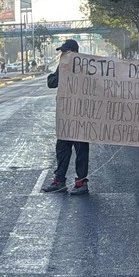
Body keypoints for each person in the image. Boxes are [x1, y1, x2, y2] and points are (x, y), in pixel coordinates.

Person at [42, 39, 90, 195]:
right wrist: (63, 74)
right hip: (65, 115)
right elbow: (51, 82)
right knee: (62, 148)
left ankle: (81, 182)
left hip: (81, 115)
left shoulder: (86, 66)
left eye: (65, 51)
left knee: (81, 150)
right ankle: (59, 180)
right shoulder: (62, 66)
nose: (62, 54)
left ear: (73, 52)